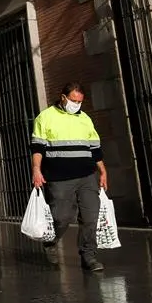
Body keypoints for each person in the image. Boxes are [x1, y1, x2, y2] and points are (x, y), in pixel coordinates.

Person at [30, 82, 108, 271]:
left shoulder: (85, 119)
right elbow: (38, 147)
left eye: (80, 101)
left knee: (91, 217)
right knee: (62, 217)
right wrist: (36, 169)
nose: (77, 104)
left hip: (87, 176)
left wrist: (103, 171)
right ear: (63, 97)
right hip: (59, 178)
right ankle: (51, 242)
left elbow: (95, 149)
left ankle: (88, 257)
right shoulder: (45, 117)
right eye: (73, 100)